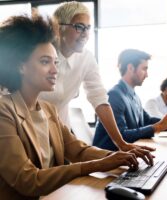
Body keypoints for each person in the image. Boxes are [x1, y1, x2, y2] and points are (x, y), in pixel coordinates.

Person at [0, 16, 155, 200]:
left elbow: (79, 151)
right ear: (21, 67)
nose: (55, 70)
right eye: (44, 61)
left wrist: (119, 156)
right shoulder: (4, 111)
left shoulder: (48, 110)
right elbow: (28, 180)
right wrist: (97, 165)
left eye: (55, 62)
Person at [39, 1, 153, 152]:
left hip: (60, 132)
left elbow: (99, 98)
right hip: (30, 129)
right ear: (59, 28)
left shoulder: (86, 58)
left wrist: (121, 144)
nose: (85, 33)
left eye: (88, 28)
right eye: (79, 27)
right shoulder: (40, 54)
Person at [93, 49, 167, 150]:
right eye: (144, 69)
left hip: (128, 154)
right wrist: (157, 127)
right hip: (109, 158)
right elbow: (121, 136)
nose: (147, 75)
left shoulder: (134, 96)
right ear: (130, 68)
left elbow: (147, 121)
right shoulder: (114, 95)